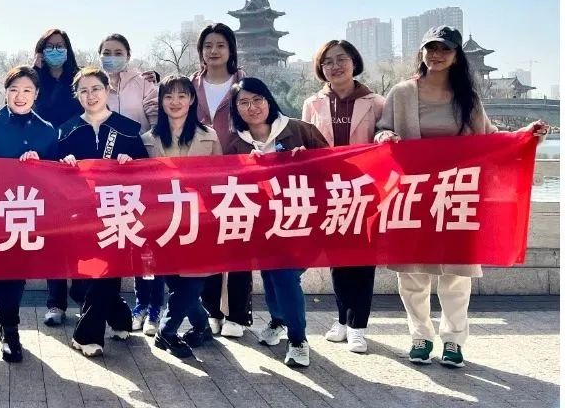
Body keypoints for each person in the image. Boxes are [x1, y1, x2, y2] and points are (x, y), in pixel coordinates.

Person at [375, 26, 547, 368]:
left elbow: (491, 139)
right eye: (431, 48)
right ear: (422, 53)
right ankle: (420, 337)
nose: (436, 55)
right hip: (414, 193)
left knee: (456, 272)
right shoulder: (402, 92)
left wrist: (526, 137)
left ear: (456, 56)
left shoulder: (467, 98)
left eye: (445, 49)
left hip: (457, 192)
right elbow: (381, 129)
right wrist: (385, 137)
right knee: (412, 273)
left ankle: (453, 340)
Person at [224, 77, 328, 368]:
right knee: (270, 275)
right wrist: (247, 170)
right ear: (236, 110)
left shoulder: (300, 130)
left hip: (301, 220)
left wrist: (310, 162)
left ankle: (298, 339)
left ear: (268, 100)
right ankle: (278, 319)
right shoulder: (235, 145)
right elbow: (227, 186)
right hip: (262, 223)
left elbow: (334, 168)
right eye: (243, 102)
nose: (252, 107)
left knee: (283, 274)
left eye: (257, 99)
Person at [301, 40, 384, 354]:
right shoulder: (313, 104)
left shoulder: (376, 102)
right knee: (336, 257)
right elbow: (308, 143)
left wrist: (384, 136)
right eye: (328, 62)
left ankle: (358, 325)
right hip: (329, 189)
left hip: (364, 188)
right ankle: (341, 320)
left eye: (342, 59)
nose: (335, 66)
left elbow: (385, 136)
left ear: (354, 62)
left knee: (362, 258)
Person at [0, 66, 58, 363]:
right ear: (5, 92)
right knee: (6, 269)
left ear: (36, 94)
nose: (20, 96)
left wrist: (39, 164)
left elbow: (57, 176)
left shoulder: (47, 130)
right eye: (14, 90)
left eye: (27, 90)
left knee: (16, 270)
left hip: (29, 212)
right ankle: (6, 324)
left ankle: (8, 325)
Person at [59, 67, 148, 357]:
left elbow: (147, 170)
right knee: (81, 284)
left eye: (96, 88)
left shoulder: (128, 128)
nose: (90, 95)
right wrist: (63, 163)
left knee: (106, 273)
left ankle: (87, 337)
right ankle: (120, 317)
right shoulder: (67, 130)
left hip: (118, 212)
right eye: (83, 91)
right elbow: (52, 174)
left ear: (107, 90)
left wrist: (131, 163)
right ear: (77, 96)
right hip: (80, 216)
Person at [140, 75, 222, 359]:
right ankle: (202, 325)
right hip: (163, 222)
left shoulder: (209, 136)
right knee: (175, 282)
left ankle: (167, 330)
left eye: (182, 95)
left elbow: (222, 178)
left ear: (192, 99)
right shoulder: (148, 140)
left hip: (199, 220)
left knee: (193, 280)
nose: (175, 102)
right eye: (168, 96)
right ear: (161, 101)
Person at [97, 34, 162, 333]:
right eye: (106, 52)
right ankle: (137, 303)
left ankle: (154, 307)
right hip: (106, 176)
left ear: (128, 54)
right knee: (124, 238)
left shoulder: (144, 83)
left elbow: (157, 119)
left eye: (118, 52)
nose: (112, 57)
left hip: (140, 168)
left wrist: (138, 147)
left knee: (148, 240)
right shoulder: (96, 84)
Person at [190, 23, 250, 338]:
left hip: (239, 174)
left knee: (239, 243)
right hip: (200, 176)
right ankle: (211, 310)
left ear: (230, 50)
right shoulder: (191, 85)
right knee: (207, 244)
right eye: (208, 45)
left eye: (220, 45)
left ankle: (238, 315)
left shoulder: (244, 83)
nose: (214, 51)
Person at [31, 28, 84, 327]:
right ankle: (55, 301)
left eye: (60, 46)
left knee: (79, 230)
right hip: (46, 160)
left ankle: (81, 292)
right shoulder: (34, 80)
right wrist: (35, 70)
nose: (55, 50)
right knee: (53, 232)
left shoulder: (77, 77)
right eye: (49, 46)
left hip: (76, 159)